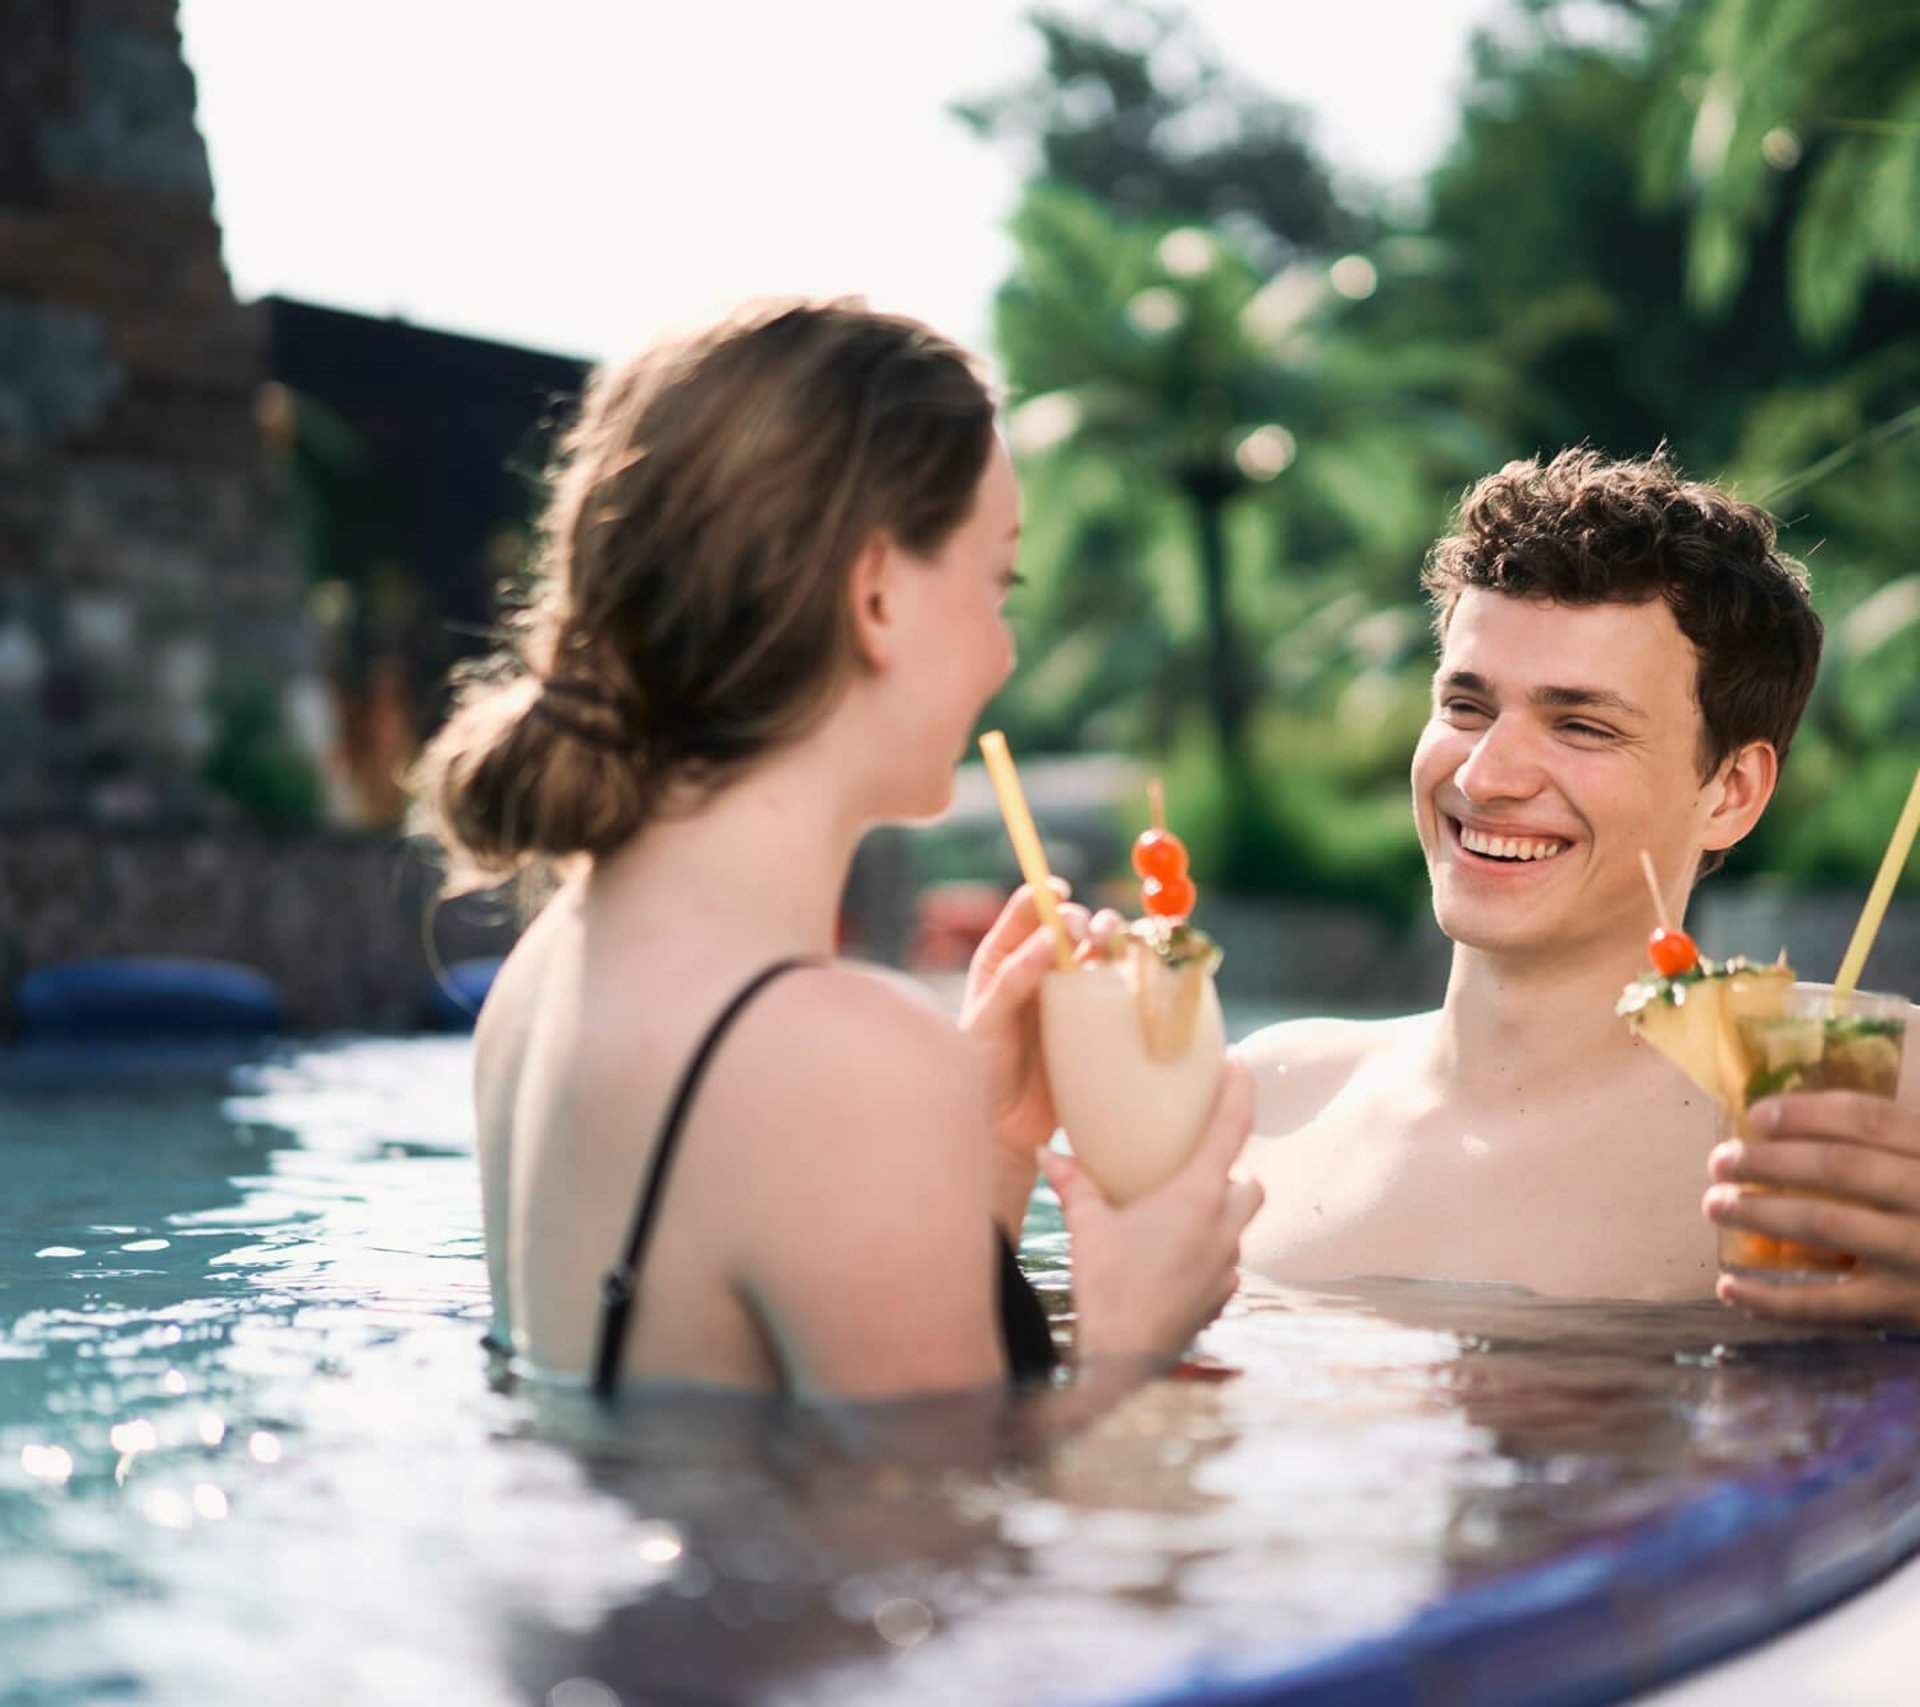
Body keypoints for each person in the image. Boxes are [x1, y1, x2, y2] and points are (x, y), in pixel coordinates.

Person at [412, 298, 1261, 1403]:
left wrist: (992, 1151)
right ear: (875, 595)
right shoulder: (838, 1060)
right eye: (996, 584)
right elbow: (942, 1563)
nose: (1003, 651)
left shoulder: (545, 973)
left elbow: (753, 1437)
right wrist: (1135, 1348)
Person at [1240, 447, 1920, 1327]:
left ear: (1733, 792)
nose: (1485, 777)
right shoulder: (1265, 1100)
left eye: (1582, 725)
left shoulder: (1854, 1088)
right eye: (1467, 706)